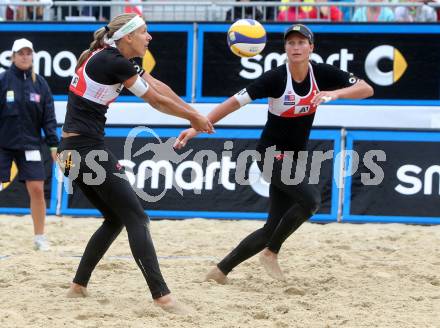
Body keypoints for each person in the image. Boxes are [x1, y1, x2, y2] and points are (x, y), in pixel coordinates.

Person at [174, 24, 373, 283]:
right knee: (311, 200)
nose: (296, 47)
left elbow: (366, 88)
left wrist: (334, 94)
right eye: (291, 43)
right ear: (285, 48)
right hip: (270, 154)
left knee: (272, 227)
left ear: (311, 48)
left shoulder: (321, 74)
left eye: (302, 42)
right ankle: (270, 253)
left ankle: (220, 271)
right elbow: (233, 103)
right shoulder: (275, 78)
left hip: (295, 157)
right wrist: (195, 127)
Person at [58, 13, 213, 313]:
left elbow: (159, 87)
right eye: (144, 32)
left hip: (69, 153)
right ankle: (162, 297)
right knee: (137, 218)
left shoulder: (113, 58)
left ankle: (78, 287)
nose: (149, 37)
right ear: (127, 36)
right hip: (85, 150)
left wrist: (193, 112)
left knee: (116, 218)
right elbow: (154, 101)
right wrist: (192, 117)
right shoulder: (112, 61)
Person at [0, 38, 58, 251]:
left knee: (37, 189)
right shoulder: (3, 80)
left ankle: (39, 238)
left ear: (32, 56)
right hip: (3, 144)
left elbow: (49, 118)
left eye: (28, 53)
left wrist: (53, 146)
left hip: (31, 145)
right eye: (20, 53)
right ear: (13, 56)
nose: (25, 56)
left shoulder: (40, 84)